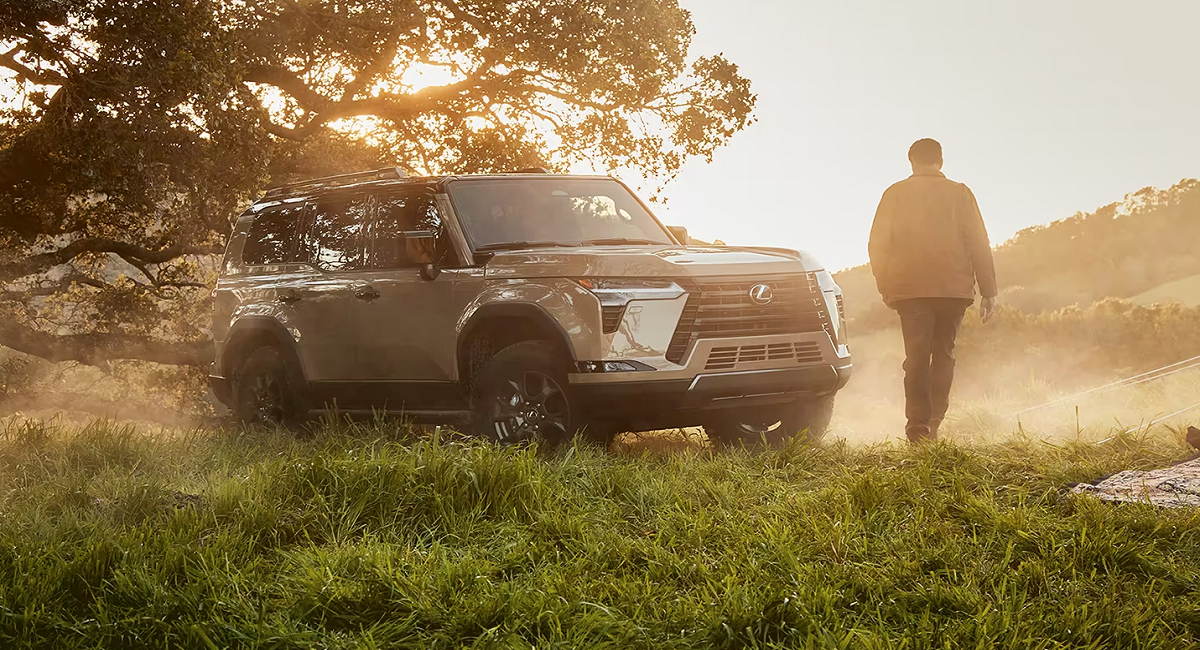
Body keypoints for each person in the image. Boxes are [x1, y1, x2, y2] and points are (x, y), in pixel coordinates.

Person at [868, 138, 998, 443]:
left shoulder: (894, 193)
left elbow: (877, 243)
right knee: (944, 354)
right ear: (940, 161)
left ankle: (918, 427)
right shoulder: (961, 193)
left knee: (915, 357)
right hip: (953, 289)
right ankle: (935, 421)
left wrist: (885, 284)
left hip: (910, 289)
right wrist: (989, 290)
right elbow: (979, 242)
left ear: (911, 160)